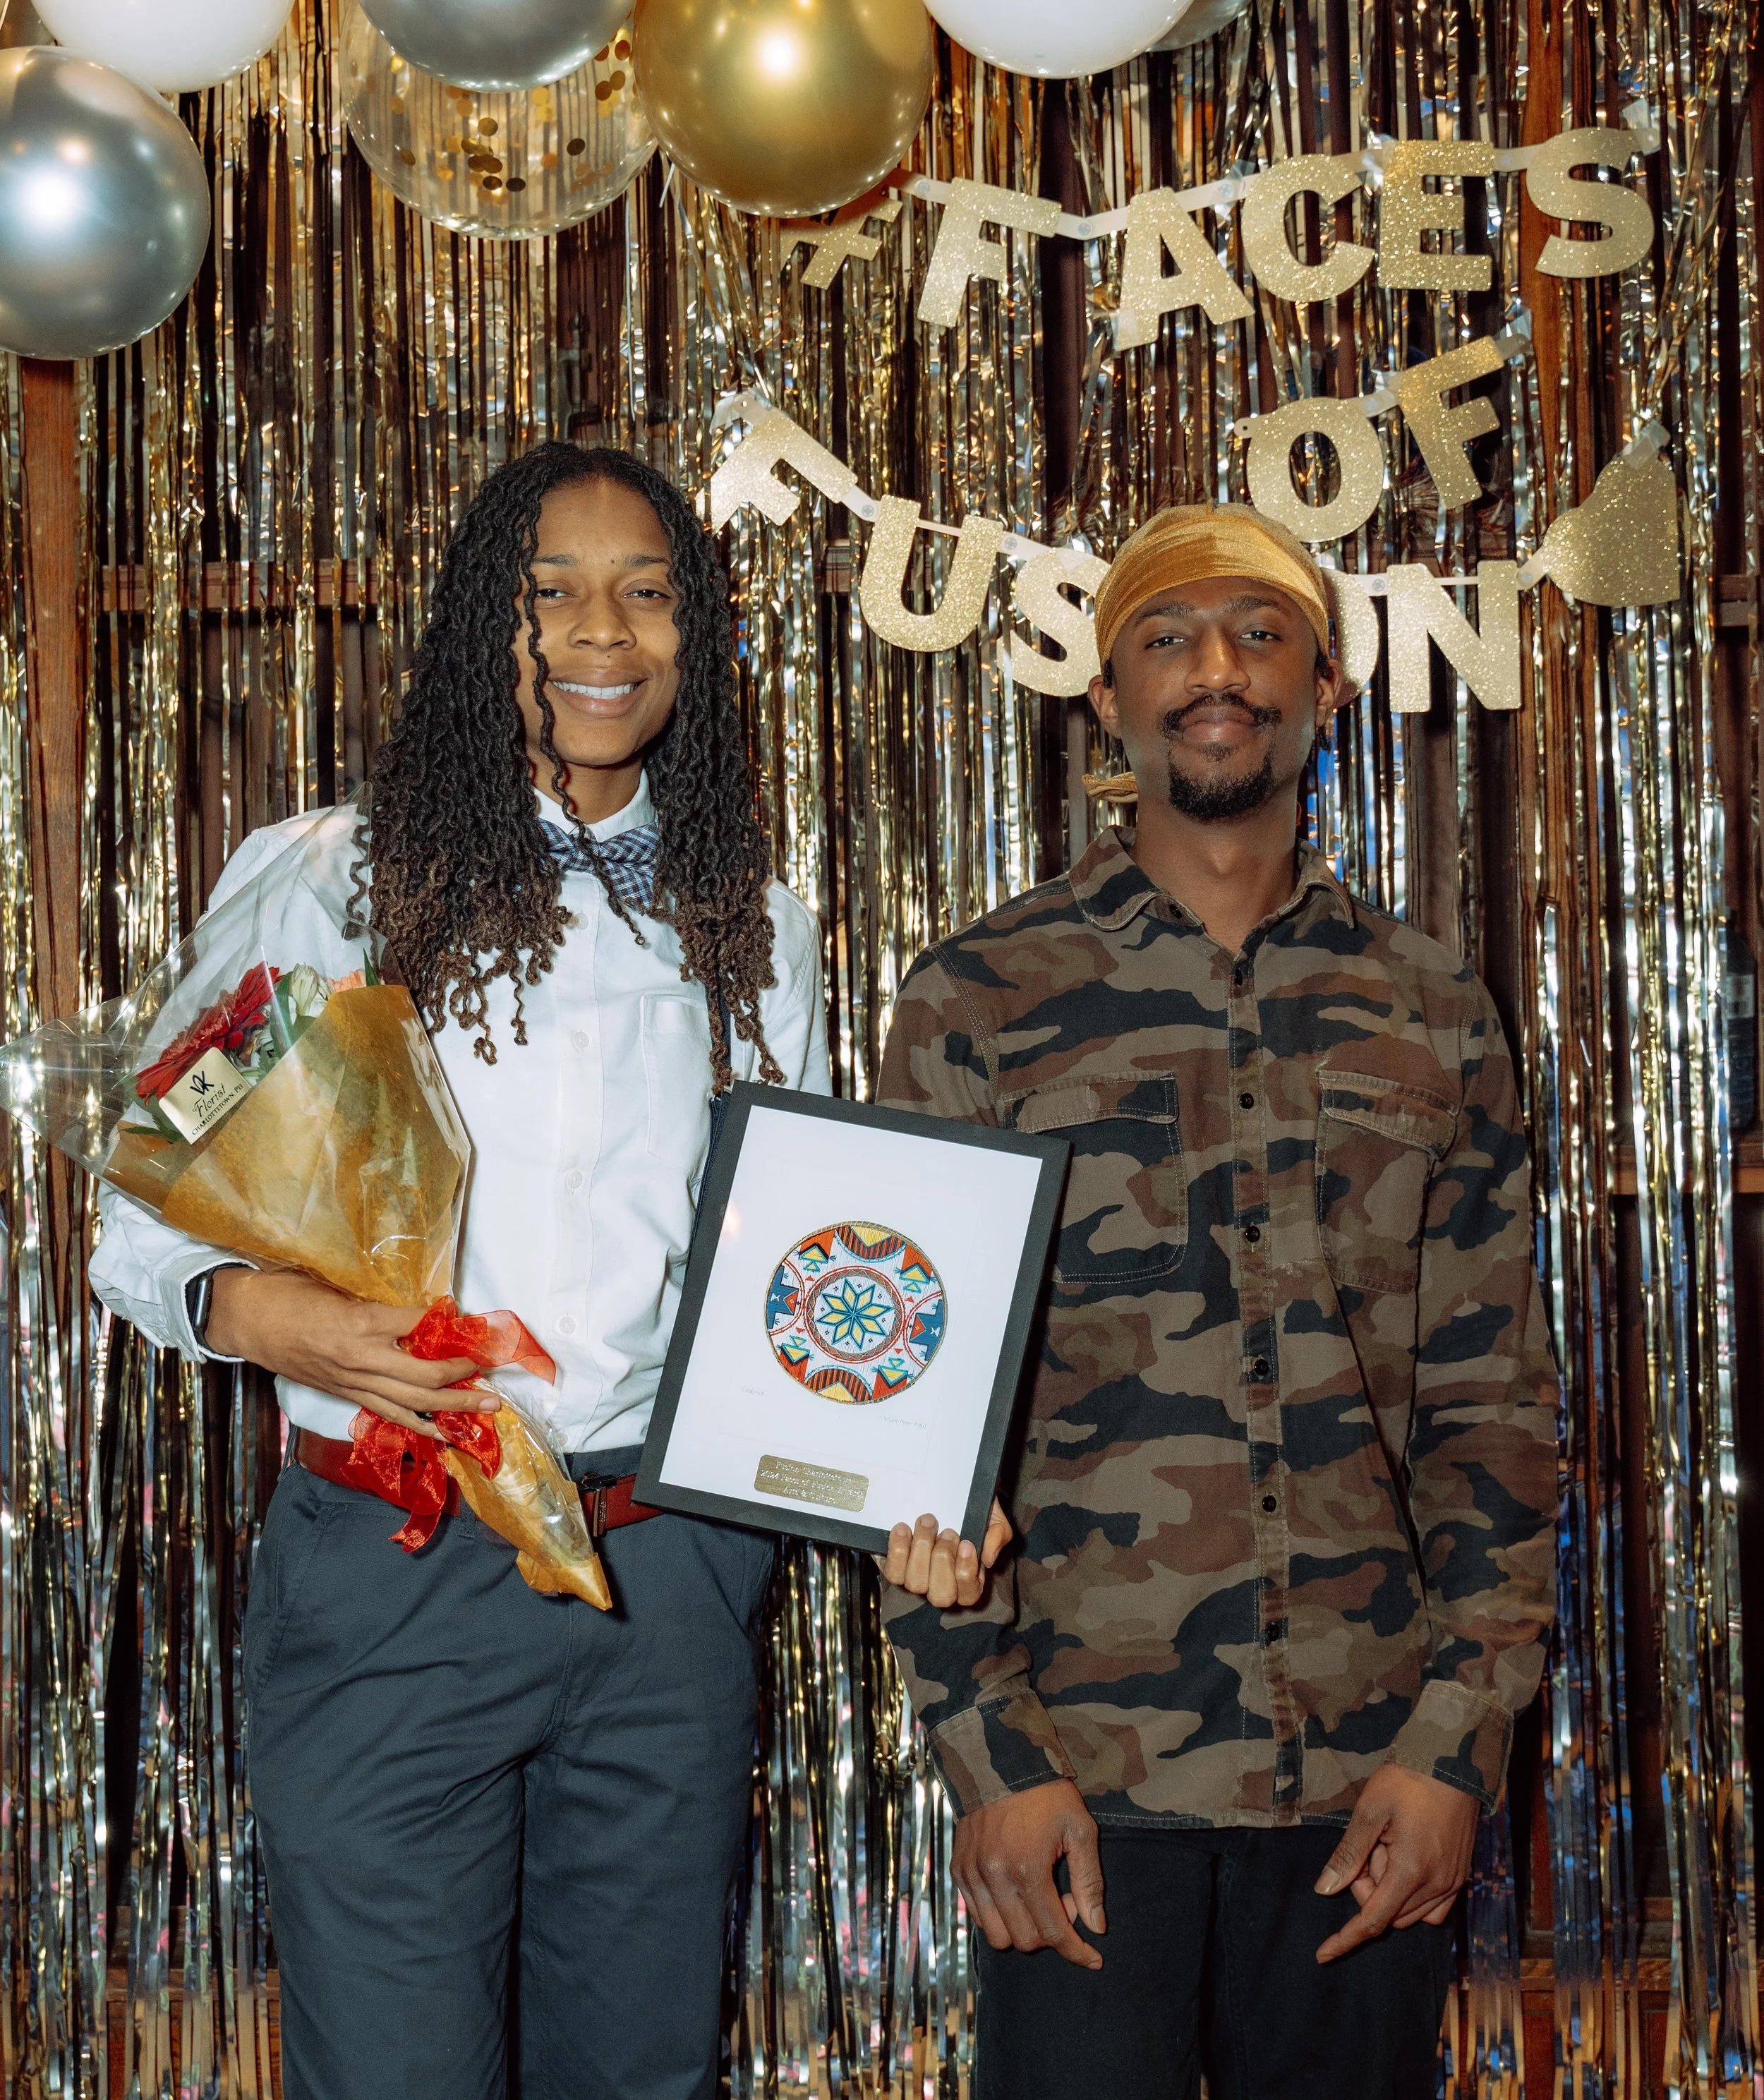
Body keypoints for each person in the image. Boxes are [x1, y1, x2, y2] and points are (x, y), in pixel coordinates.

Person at [89, 443, 942, 2100]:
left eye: (646, 591)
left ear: (696, 634)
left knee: (638, 2072)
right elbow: (145, 1195)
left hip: (665, 1574)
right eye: (549, 590)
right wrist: (274, 1315)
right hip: (396, 1553)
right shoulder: (328, 878)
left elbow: (788, 1255)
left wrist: (896, 1452)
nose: (599, 630)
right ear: (487, 620)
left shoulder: (752, 917)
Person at [875, 501, 1558, 2100]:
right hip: (1079, 1785)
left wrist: (1456, 1747)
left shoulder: (1431, 1007)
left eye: (1260, 636)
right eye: (1167, 637)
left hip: (1369, 1785)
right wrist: (987, 1754)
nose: (1216, 671)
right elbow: (904, 1408)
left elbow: (1493, 1411)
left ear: (1324, 688)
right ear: (1105, 693)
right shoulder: (978, 1001)